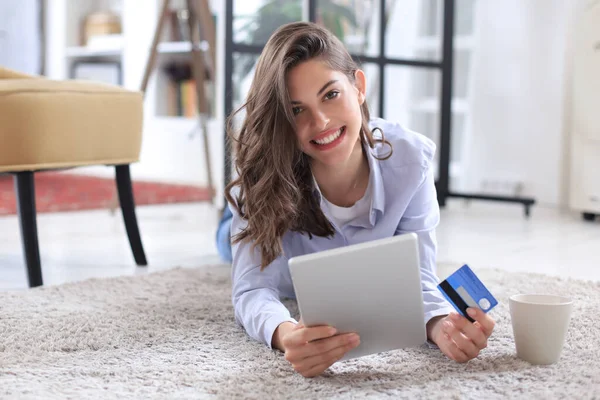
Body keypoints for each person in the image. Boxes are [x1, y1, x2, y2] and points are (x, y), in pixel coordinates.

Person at [221, 21, 495, 378]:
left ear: (359, 88)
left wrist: (440, 325)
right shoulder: (260, 181)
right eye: (297, 110)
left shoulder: (412, 162)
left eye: (330, 95)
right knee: (228, 245)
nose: (320, 121)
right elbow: (253, 289)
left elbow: (419, 276)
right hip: (270, 213)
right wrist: (286, 334)